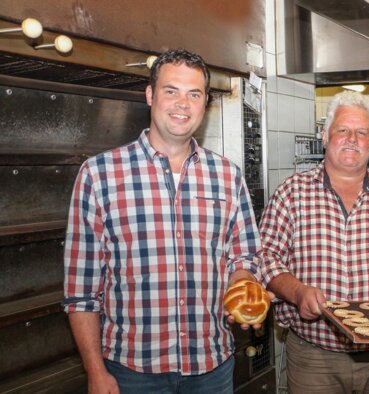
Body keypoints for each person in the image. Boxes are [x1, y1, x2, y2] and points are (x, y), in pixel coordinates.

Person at [63, 49, 264, 394]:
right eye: (171, 91)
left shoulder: (227, 176)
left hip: (211, 367)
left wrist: (242, 286)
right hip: (132, 371)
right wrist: (95, 370)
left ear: (205, 104)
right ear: (150, 95)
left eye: (194, 94)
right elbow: (81, 292)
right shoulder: (99, 175)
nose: (182, 104)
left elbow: (245, 257)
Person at [255, 91, 369, 393]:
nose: (352, 139)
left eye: (362, 132)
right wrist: (298, 293)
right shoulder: (292, 192)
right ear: (325, 136)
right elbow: (265, 257)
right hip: (315, 358)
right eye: (343, 130)